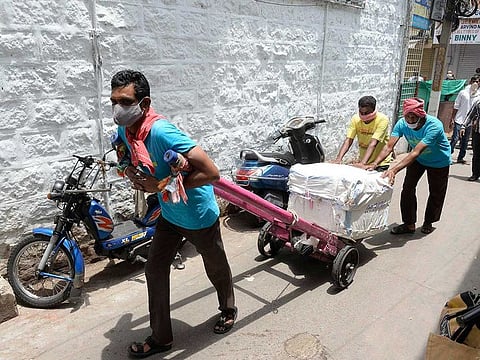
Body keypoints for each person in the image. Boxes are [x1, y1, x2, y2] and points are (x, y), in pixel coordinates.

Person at [110, 70, 236, 358]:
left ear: (144, 103)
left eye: (125, 101)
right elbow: (125, 159)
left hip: (197, 215)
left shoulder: (162, 132)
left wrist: (159, 185)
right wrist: (129, 170)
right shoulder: (125, 129)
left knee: (215, 266)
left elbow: (211, 172)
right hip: (169, 214)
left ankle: (228, 308)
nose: (118, 108)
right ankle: (161, 338)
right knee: (154, 269)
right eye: (114, 101)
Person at [364, 98, 451, 235]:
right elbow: (388, 146)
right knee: (407, 189)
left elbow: (416, 151)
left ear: (421, 115)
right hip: (419, 160)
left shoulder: (434, 126)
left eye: (413, 116)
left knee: (436, 192)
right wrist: (374, 164)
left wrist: (394, 169)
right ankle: (409, 224)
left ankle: (429, 221)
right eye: (407, 116)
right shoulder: (402, 123)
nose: (410, 120)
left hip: (438, 162)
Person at [332, 95, 392, 171]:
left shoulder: (382, 120)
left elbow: (373, 143)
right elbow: (348, 140)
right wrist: (339, 159)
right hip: (364, 161)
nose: (363, 116)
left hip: (380, 163)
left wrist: (363, 163)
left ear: (373, 110)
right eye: (361, 112)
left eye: (366, 113)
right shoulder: (355, 119)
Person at [450, 75, 480, 164]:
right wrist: (452, 118)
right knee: (455, 138)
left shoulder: (478, 95)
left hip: (470, 123)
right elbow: (456, 106)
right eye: (474, 81)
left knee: (465, 141)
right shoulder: (463, 93)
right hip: (459, 119)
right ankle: (448, 156)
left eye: (477, 81)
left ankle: (460, 157)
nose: (476, 83)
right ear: (470, 82)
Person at [460, 96, 480, 181]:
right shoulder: (478, 103)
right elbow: (470, 115)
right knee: (476, 154)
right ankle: (475, 174)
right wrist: (463, 126)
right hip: (477, 132)